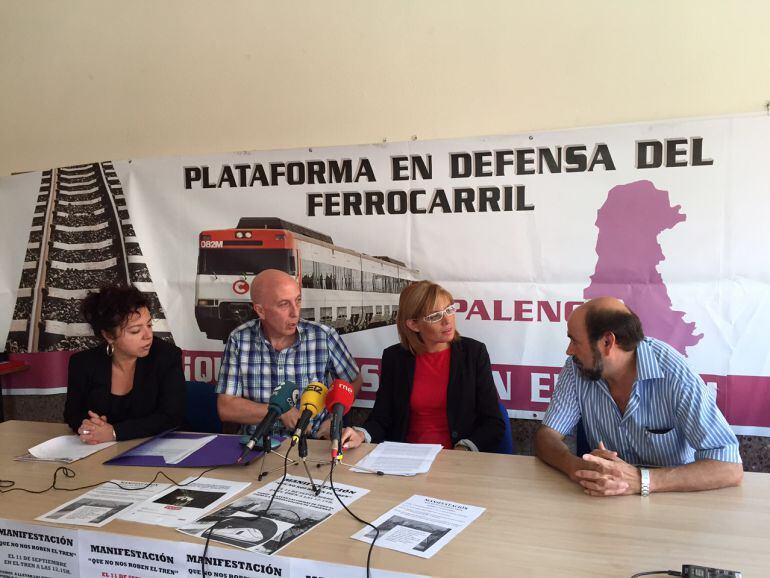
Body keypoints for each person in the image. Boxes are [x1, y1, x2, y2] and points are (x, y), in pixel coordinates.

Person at [535, 296, 743, 496]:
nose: (569, 351)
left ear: (607, 342)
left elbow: (729, 467)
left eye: (575, 341)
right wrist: (576, 467)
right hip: (603, 496)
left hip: (671, 497)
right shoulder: (576, 369)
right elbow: (547, 436)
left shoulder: (674, 373)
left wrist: (642, 481)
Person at [341, 280, 505, 452]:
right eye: (435, 316)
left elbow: (493, 422)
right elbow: (381, 418)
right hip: (406, 456)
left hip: (458, 457)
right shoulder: (395, 358)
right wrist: (361, 434)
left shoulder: (474, 353)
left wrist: (464, 449)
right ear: (414, 324)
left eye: (449, 310)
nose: (447, 320)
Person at [216, 269, 362, 437]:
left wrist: (333, 419)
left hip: (312, 440)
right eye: (284, 304)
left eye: (298, 300)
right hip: (257, 442)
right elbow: (226, 407)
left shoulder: (323, 336)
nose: (295, 312)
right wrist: (278, 412)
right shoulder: (239, 339)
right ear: (260, 310)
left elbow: (353, 381)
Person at [64, 285, 185, 443]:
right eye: (135, 331)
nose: (148, 335)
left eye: (149, 325)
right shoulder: (82, 363)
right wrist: (90, 426)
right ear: (109, 336)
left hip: (158, 446)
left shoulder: (166, 356)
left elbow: (171, 417)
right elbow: (72, 414)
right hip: (101, 450)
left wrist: (115, 432)